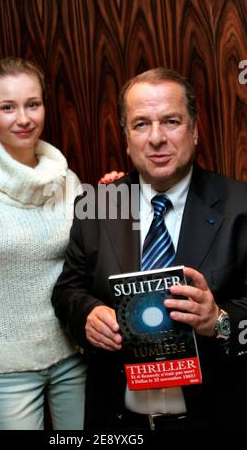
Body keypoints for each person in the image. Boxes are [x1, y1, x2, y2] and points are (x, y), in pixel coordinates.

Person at [52, 67, 247, 430]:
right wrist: (88, 314)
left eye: (171, 121)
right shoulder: (98, 204)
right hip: (117, 422)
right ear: (126, 138)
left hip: (216, 417)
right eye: (141, 124)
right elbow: (67, 291)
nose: (156, 138)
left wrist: (219, 321)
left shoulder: (240, 206)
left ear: (195, 129)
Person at [0, 57, 87, 430]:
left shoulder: (68, 180)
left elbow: (90, 259)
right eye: (7, 107)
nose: (23, 118)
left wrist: (116, 193)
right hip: (8, 372)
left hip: (74, 356)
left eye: (33, 104)